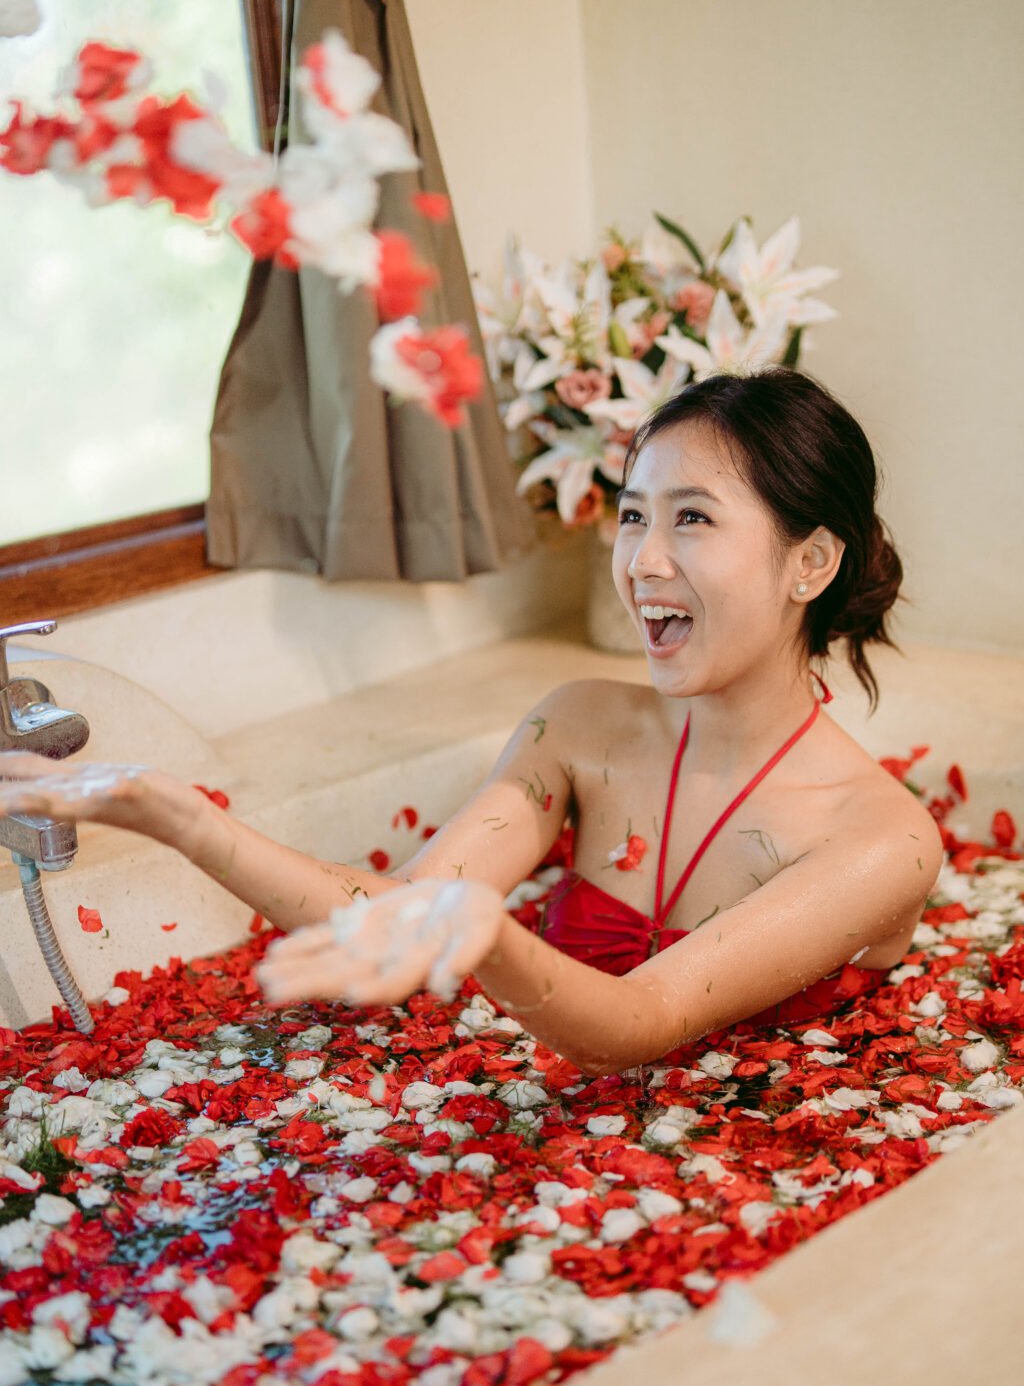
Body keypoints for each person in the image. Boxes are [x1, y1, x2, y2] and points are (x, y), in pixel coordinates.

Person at [0, 369, 943, 1073]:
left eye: (691, 520)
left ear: (809, 565)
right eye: (631, 517)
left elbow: (643, 1020)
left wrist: (483, 930)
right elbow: (396, 912)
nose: (644, 562)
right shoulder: (581, 727)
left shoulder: (879, 838)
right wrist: (178, 816)